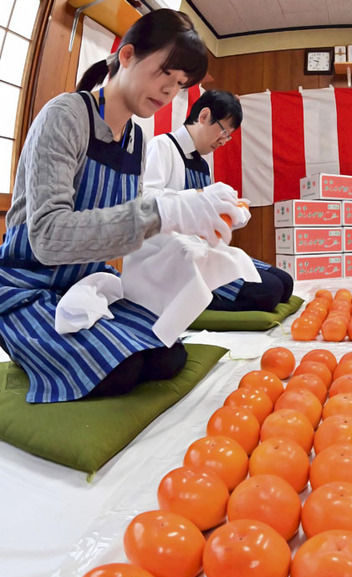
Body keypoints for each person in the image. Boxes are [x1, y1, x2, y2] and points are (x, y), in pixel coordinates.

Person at [0, 9, 247, 403]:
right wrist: (165, 212)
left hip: (83, 283)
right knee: (120, 368)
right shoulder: (65, 117)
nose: (170, 91)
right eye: (165, 73)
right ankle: (28, 341)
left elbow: (128, 229)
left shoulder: (135, 138)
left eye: (180, 83)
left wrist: (193, 238)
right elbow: (47, 238)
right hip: (28, 285)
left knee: (166, 355)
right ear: (128, 55)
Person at [144, 89, 293, 312]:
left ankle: (203, 291)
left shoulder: (203, 164)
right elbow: (146, 202)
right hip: (176, 257)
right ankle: (186, 298)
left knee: (285, 282)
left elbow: (206, 213)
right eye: (223, 132)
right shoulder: (162, 146)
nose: (224, 141)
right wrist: (200, 198)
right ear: (204, 117)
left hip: (204, 250)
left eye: (228, 136)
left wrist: (231, 212)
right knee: (269, 291)